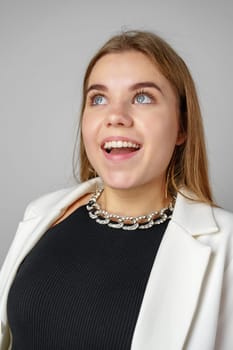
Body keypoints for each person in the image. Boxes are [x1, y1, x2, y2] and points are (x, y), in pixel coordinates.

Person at [0, 30, 232, 350]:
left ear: (182, 125)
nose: (115, 117)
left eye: (142, 97)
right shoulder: (41, 215)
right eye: (98, 98)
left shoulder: (227, 246)